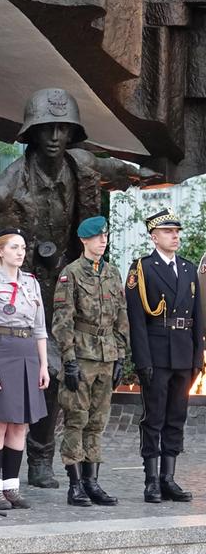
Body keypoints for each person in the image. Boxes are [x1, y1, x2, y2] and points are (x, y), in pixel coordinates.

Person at [0, 87, 158, 489]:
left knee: (59, 374)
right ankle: (18, 466)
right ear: (30, 133)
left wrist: (144, 175)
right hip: (19, 293)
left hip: (68, 288)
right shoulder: (4, 191)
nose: (55, 137)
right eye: (46, 128)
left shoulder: (82, 165)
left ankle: (43, 459)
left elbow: (114, 167)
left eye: (63, 129)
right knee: (32, 377)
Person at [126, 208, 203, 502]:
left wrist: (198, 357)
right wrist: (142, 360)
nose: (175, 236)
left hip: (183, 353)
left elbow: (197, 316)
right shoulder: (142, 269)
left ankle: (168, 478)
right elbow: (137, 320)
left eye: (177, 232)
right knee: (153, 418)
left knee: (176, 417)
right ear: (154, 236)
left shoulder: (188, 268)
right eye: (169, 232)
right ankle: (151, 481)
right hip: (157, 354)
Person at [51, 216, 129, 506]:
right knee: (76, 419)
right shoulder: (70, 274)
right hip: (81, 356)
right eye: (97, 237)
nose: (103, 240)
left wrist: (121, 355)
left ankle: (92, 482)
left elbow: (122, 315)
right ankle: (75, 485)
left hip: (107, 355)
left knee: (97, 422)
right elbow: (62, 321)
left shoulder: (112, 273)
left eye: (105, 236)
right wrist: (68, 359)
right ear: (84, 240)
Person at [0, 228, 49, 510]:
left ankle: (11, 487)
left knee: (20, 424)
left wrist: (43, 365)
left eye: (23, 248)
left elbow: (40, 328)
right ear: (0, 251)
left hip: (28, 352)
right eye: (14, 247)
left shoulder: (31, 283)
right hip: (1, 352)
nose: (20, 252)